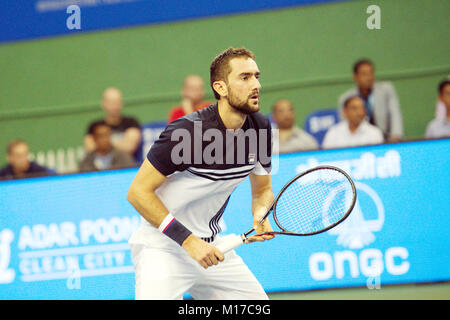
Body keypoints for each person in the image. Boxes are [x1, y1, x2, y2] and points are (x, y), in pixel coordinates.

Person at [127, 47, 274, 300]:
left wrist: (260, 213)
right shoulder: (186, 133)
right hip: (163, 247)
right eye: (245, 77)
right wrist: (188, 242)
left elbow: (262, 190)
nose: (256, 85)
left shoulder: (260, 128)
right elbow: (137, 193)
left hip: (213, 246)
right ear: (221, 88)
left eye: (256, 76)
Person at [338, 59, 403, 142]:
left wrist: (395, 136)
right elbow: (345, 124)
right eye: (364, 74)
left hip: (386, 139)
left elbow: (395, 114)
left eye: (371, 73)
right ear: (355, 77)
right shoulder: (346, 98)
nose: (369, 77)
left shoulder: (386, 90)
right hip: (359, 141)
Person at [84, 87, 141, 162]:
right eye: (110, 102)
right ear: (103, 104)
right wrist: (120, 144)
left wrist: (103, 144)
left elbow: (130, 147)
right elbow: (90, 147)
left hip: (126, 166)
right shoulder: (95, 126)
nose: (114, 106)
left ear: (121, 103)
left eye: (117, 102)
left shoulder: (131, 122)